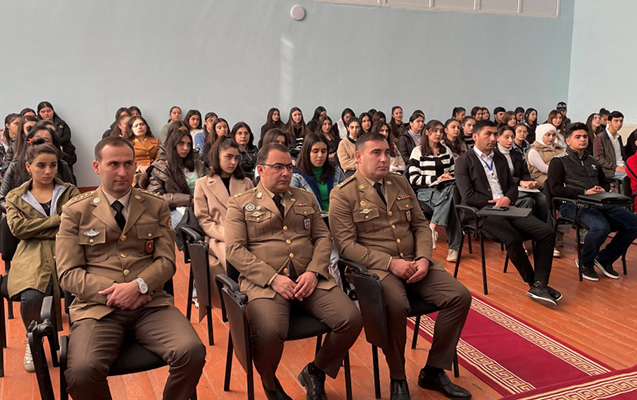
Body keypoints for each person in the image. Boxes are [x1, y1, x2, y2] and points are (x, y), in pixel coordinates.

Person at [56, 136, 205, 400]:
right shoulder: (75, 211)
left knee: (191, 351)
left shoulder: (155, 205)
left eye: (128, 164)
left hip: (149, 303)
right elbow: (68, 273)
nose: (122, 172)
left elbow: (166, 261)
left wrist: (139, 286)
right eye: (113, 164)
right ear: (97, 166)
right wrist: (117, 292)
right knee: (81, 373)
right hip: (97, 309)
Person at [329, 133, 472, 400]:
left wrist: (424, 258)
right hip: (375, 269)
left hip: (414, 261)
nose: (384, 158)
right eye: (376, 153)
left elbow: (420, 226)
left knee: (459, 296)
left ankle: (433, 370)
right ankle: (398, 377)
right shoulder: (343, 193)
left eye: (387, 152)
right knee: (396, 305)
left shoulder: (400, 182)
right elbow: (346, 247)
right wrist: (390, 263)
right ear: (358, 157)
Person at [225, 143, 362, 400]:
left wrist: (314, 272)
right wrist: (272, 278)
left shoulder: (304, 198)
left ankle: (315, 371)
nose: (286, 173)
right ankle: (270, 385)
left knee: (351, 319)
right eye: (278, 167)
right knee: (269, 331)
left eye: (289, 167)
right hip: (266, 284)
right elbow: (234, 250)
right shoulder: (240, 203)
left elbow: (323, 238)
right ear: (260, 170)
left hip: (309, 279)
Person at [455, 120, 559, 308]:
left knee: (546, 232)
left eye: (495, 134)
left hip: (506, 207)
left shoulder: (499, 158)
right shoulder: (464, 161)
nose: (493, 138)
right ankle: (533, 283)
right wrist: (495, 201)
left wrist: (507, 199)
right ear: (475, 136)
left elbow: (512, 185)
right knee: (512, 238)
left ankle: (540, 283)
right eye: (488, 134)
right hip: (480, 212)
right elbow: (468, 195)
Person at [5, 142, 80, 372]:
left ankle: (82, 340)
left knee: (81, 289)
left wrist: (34, 226)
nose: (48, 171)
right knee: (31, 296)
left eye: (53, 165)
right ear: (28, 167)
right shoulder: (16, 196)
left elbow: (77, 223)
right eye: (41, 166)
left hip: (67, 248)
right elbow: (18, 230)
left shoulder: (70, 192)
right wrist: (58, 219)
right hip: (32, 254)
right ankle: (33, 340)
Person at [548, 123, 637, 281]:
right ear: (568, 141)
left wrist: (602, 189)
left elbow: (604, 183)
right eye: (578, 137)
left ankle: (604, 259)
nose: (582, 139)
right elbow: (555, 189)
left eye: (584, 136)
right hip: (572, 204)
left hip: (599, 202)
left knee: (633, 223)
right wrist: (583, 192)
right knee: (601, 227)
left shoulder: (592, 161)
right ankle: (585, 262)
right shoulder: (558, 161)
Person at [193, 136, 253, 317]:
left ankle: (257, 302)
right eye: (229, 157)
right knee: (231, 257)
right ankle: (238, 306)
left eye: (236, 158)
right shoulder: (202, 184)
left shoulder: (247, 182)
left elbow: (253, 213)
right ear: (216, 157)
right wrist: (228, 234)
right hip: (218, 237)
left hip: (247, 233)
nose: (233, 162)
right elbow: (204, 220)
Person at [495, 125, 559, 257]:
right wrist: (520, 182)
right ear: (497, 138)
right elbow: (499, 176)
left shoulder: (516, 154)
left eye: (512, 137)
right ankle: (520, 240)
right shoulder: (494, 155)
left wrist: (530, 181)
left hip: (520, 187)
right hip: (504, 189)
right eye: (506, 137)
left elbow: (524, 172)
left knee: (543, 199)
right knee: (528, 201)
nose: (510, 140)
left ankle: (546, 239)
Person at [408, 120, 463, 262]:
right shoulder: (417, 151)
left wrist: (448, 177)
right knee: (452, 204)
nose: (438, 134)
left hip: (446, 188)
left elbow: (454, 172)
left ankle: (432, 226)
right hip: (426, 191)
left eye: (440, 131)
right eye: (435, 131)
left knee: (453, 191)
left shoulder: (446, 150)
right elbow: (413, 179)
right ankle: (454, 248)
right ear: (427, 132)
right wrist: (436, 179)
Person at [0, 122, 75, 212]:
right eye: (41, 166)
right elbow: (2, 198)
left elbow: (73, 196)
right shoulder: (16, 165)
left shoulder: (62, 165)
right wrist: (15, 211)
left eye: (46, 141)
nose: (48, 171)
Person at [143, 130, 205, 228]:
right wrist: (188, 200)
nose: (186, 148)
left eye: (188, 144)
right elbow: (154, 197)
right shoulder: (162, 168)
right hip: (175, 210)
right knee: (184, 222)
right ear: (173, 145)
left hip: (202, 207)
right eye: (181, 143)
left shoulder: (199, 165)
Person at [291, 132, 345, 212]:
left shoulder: (335, 170)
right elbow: (293, 204)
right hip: (311, 217)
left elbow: (346, 194)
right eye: (315, 151)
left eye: (323, 151)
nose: (320, 155)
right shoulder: (296, 175)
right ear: (307, 152)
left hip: (337, 215)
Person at [37, 101, 77, 171]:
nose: (46, 114)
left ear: (53, 111)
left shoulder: (61, 123)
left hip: (65, 153)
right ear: (38, 113)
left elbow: (67, 137)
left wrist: (54, 141)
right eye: (43, 112)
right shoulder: (37, 126)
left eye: (49, 111)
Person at [526, 124, 564, 189]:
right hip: (542, 181)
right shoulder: (534, 151)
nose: (551, 138)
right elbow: (545, 169)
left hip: (559, 177)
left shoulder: (559, 148)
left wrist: (553, 164)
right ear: (541, 135)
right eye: (548, 135)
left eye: (553, 135)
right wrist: (558, 165)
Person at [124, 116, 160, 183]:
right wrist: (139, 167)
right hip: (135, 173)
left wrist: (153, 167)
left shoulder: (156, 141)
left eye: (142, 124)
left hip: (154, 171)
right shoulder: (126, 144)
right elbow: (125, 161)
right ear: (131, 128)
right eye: (136, 126)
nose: (140, 127)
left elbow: (160, 157)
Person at [593, 111, 626, 180]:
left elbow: (622, 156)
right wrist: (615, 167)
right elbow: (599, 159)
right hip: (610, 171)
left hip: (623, 167)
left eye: (621, 121)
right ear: (609, 122)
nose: (619, 123)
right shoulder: (600, 137)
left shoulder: (618, 137)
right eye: (616, 121)